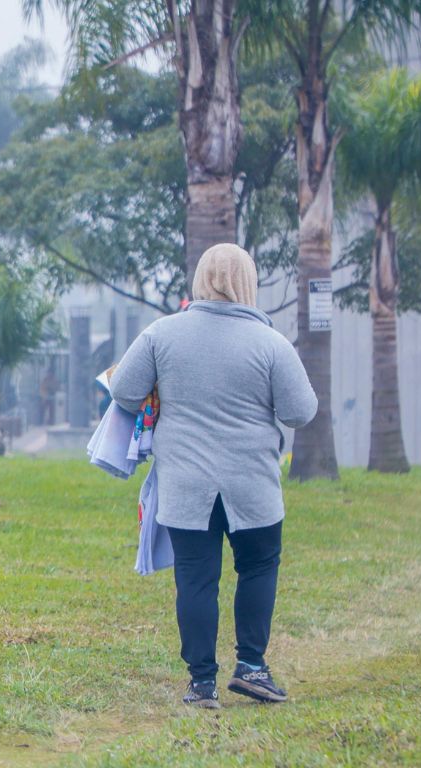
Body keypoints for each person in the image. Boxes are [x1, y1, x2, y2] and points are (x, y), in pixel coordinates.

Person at [110, 243, 317, 709]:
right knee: (259, 567)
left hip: (186, 485)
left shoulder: (162, 334)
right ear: (249, 282)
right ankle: (252, 667)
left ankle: (201, 683)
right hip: (253, 484)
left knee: (196, 580)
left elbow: (123, 391)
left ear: (200, 278)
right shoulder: (270, 343)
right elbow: (300, 412)